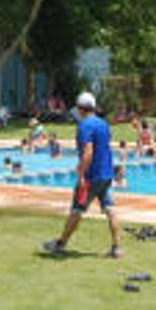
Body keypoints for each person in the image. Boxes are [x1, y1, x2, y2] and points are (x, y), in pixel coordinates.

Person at [43, 92, 122, 258]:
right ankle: (116, 248)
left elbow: (88, 151)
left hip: (91, 176)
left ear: (80, 109)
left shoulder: (85, 126)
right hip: (106, 174)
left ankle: (61, 244)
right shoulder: (103, 124)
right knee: (110, 209)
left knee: (77, 210)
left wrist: (81, 174)